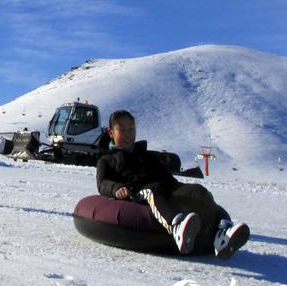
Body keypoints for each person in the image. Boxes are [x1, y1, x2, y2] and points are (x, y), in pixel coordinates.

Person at [96, 110, 249, 258]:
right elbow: (102, 183)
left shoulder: (147, 155)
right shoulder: (108, 160)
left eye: (131, 129)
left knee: (198, 190)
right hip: (138, 192)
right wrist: (116, 188)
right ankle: (176, 226)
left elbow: (167, 178)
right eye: (122, 130)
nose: (128, 134)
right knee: (151, 191)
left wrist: (183, 190)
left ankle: (221, 234)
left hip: (166, 188)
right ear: (111, 133)